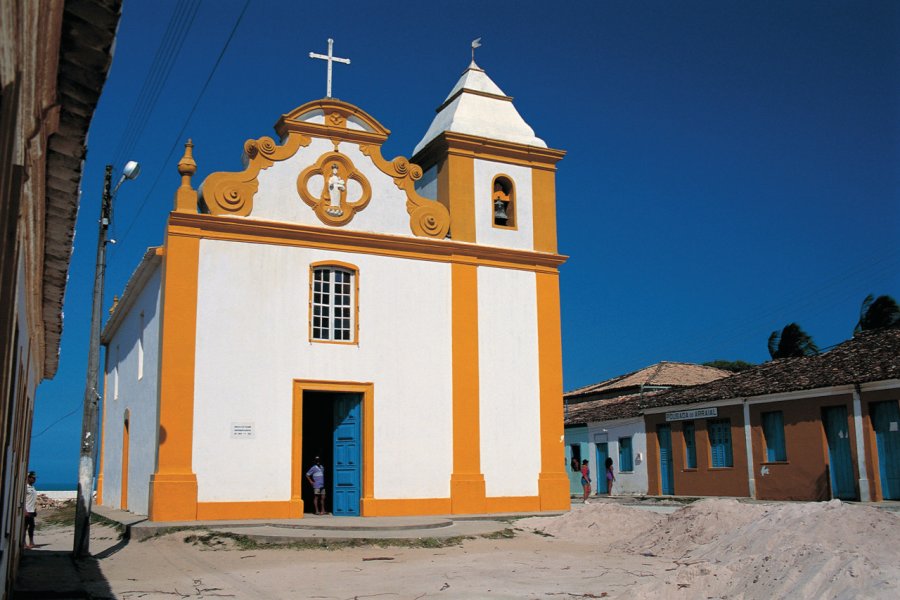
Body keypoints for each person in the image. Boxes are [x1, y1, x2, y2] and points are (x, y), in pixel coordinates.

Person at [23, 471, 37, 549]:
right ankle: (24, 543)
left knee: (32, 527)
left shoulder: (33, 487)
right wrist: (25, 510)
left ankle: (31, 542)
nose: (34, 479)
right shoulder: (26, 487)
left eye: (35, 478)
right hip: (27, 510)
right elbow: (23, 499)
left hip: (32, 510)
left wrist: (35, 510)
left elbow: (33, 499)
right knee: (24, 527)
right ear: (28, 478)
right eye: (32, 478)